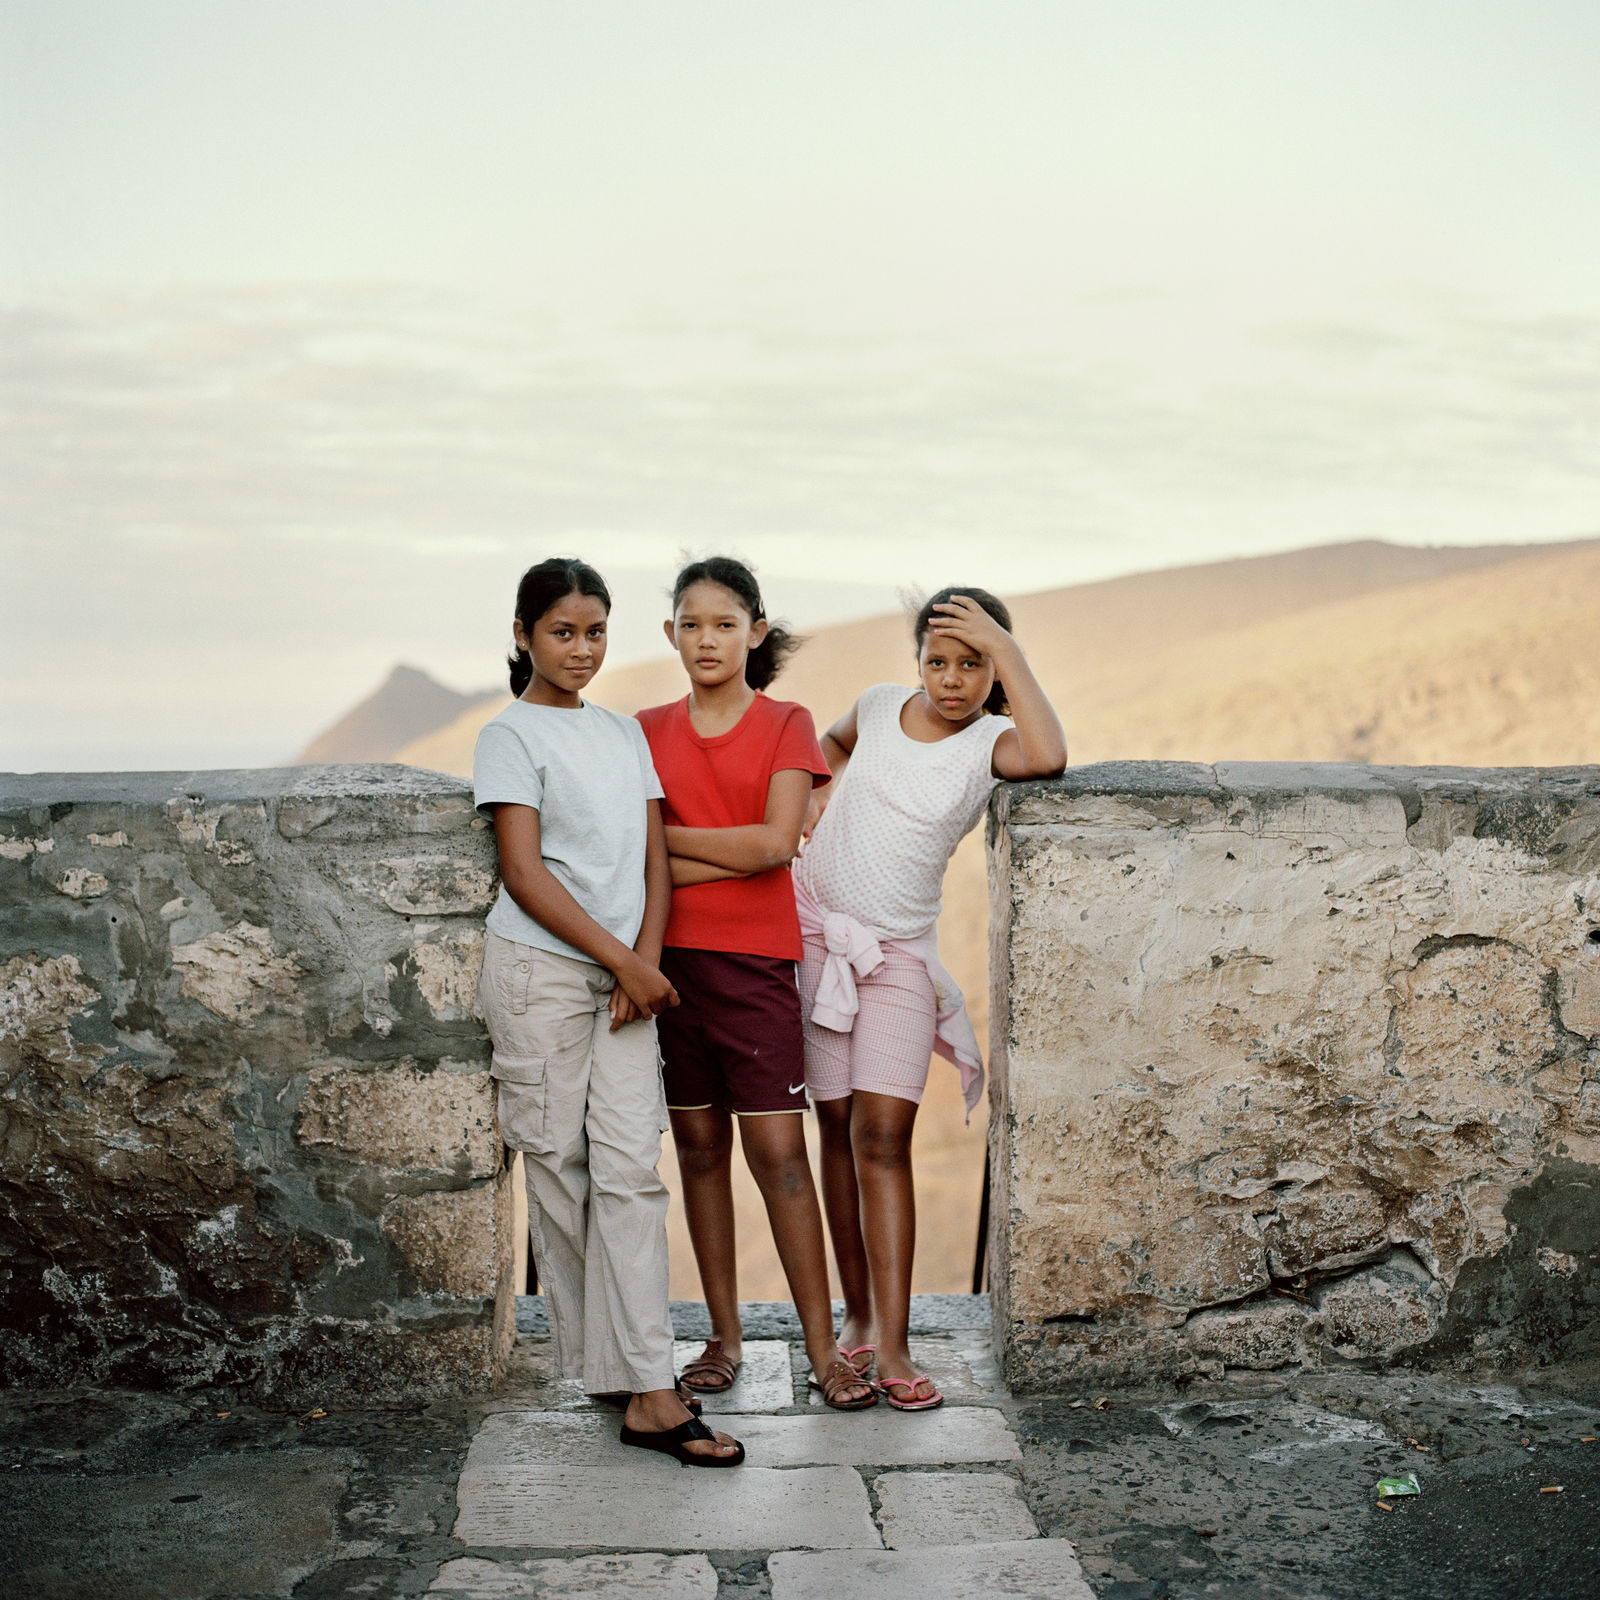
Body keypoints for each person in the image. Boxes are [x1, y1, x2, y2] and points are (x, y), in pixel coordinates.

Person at [473, 556, 744, 1465]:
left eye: (594, 632)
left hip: (628, 981)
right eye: (561, 632)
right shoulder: (508, 736)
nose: (581, 649)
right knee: (561, 1168)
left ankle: (647, 1387)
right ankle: (630, 1383)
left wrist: (646, 965)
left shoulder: (623, 732)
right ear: (523, 636)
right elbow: (524, 871)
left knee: (632, 1170)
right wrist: (624, 960)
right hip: (543, 973)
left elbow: (653, 860)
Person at [795, 587, 1067, 1409]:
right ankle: (858, 1319)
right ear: (915, 662)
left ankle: (900, 1343)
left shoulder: (992, 741)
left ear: (996, 669)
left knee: (884, 1136)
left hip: (900, 958)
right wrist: (810, 792)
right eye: (938, 661)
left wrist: (1006, 649)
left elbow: (1051, 754)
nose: (952, 680)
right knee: (834, 1128)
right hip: (813, 938)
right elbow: (828, 744)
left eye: (973, 663)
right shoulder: (878, 707)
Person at [636, 556, 877, 1410]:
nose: (707, 639)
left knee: (780, 1159)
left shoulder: (787, 723)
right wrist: (709, 855)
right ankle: (723, 1338)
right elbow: (636, 859)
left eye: (725, 624)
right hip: (666, 973)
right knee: (699, 1155)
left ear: (756, 632)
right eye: (691, 624)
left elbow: (778, 845)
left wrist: (671, 855)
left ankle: (823, 1351)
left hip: (757, 972)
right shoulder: (643, 729)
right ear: (670, 633)